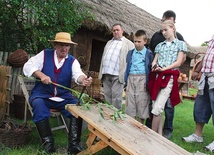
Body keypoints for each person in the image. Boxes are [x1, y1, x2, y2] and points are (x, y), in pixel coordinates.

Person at [23, 32, 93, 154]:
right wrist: (41, 75)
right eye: (61, 45)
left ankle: (73, 146)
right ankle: (48, 144)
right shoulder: (44, 55)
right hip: (43, 96)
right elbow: (28, 66)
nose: (64, 48)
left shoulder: (72, 61)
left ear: (69, 47)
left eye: (67, 45)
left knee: (78, 107)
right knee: (38, 104)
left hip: (63, 98)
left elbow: (78, 75)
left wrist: (84, 79)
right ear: (55, 45)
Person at [146, 10, 186, 139]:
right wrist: (154, 66)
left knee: (157, 108)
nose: (163, 33)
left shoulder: (180, 44)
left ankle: (152, 137)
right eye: (162, 30)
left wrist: (164, 69)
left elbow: (179, 62)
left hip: (169, 77)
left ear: (173, 28)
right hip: (157, 77)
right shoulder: (160, 45)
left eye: (166, 30)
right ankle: (159, 135)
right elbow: (154, 60)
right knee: (156, 106)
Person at [182, 35, 214, 153]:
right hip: (206, 77)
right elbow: (207, 56)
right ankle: (197, 135)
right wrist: (197, 70)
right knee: (200, 107)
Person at [98, 23, 135, 110]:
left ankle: (115, 115)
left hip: (118, 74)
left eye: (117, 30)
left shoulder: (128, 44)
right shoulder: (109, 42)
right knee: (107, 95)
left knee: (116, 97)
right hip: (106, 73)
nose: (115, 32)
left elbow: (132, 60)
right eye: (114, 30)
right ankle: (109, 113)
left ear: (122, 31)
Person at [124, 30, 153, 123]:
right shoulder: (130, 53)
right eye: (135, 41)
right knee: (130, 101)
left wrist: (148, 83)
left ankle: (140, 125)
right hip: (131, 78)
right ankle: (130, 124)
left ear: (145, 41)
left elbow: (150, 68)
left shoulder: (148, 54)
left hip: (142, 79)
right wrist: (126, 80)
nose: (136, 43)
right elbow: (127, 66)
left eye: (139, 41)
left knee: (142, 101)